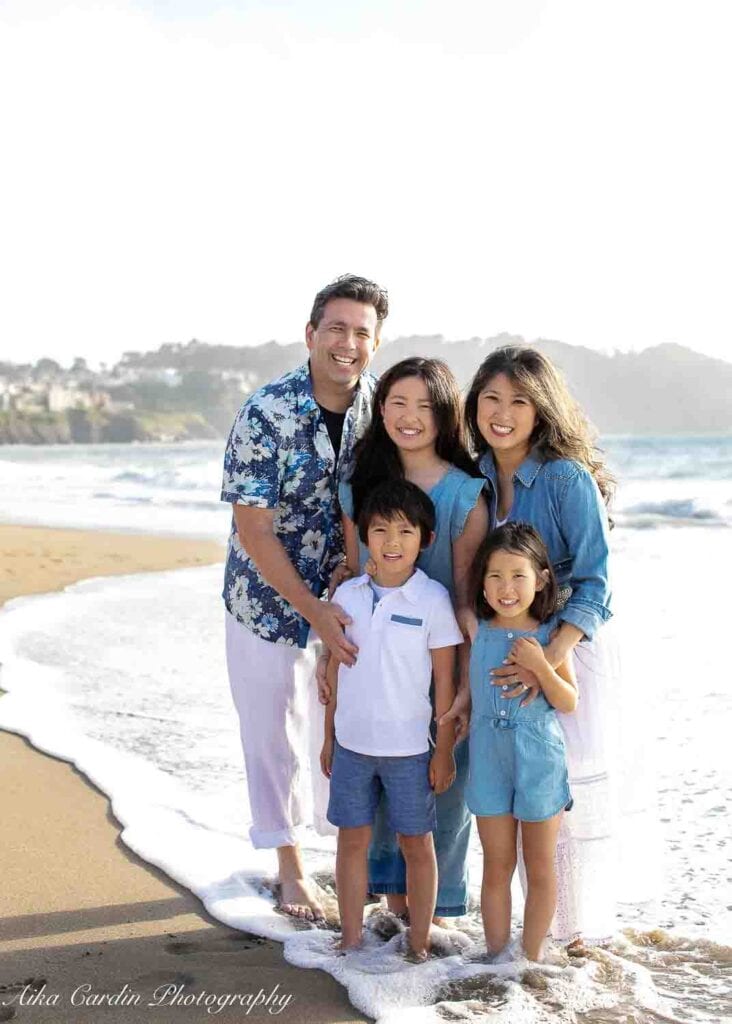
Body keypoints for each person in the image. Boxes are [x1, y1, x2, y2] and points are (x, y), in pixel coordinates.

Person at [221, 273, 388, 921]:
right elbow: (252, 527)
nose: (348, 343)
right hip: (263, 596)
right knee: (271, 731)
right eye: (337, 329)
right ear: (311, 334)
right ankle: (288, 865)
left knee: (352, 723)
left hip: (350, 590)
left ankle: (353, 856)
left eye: (362, 333)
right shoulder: (266, 411)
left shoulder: (381, 408)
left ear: (375, 343)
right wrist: (310, 607)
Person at [451, 344, 625, 944]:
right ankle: (523, 945)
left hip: (568, 650)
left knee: (559, 803)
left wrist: (546, 663)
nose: (502, 413)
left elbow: (598, 581)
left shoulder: (563, 478)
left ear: (540, 409)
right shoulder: (473, 476)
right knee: (510, 797)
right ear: (474, 406)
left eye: (519, 401)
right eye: (491, 399)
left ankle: (575, 940)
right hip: (501, 655)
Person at [323, 357, 488, 924]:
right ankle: (390, 926)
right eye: (397, 403)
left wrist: (465, 681)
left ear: (444, 415)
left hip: (441, 661)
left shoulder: (468, 493)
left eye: (424, 405)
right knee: (375, 796)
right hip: (376, 665)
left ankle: (431, 932)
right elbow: (354, 571)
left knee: (442, 797)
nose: (409, 417)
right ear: (381, 409)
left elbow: (466, 594)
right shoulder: (360, 484)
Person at [320, 480, 463, 958]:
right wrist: (327, 739)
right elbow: (336, 674)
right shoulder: (349, 597)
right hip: (352, 746)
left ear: (425, 538)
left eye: (405, 531)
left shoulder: (433, 599)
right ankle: (351, 937)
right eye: (379, 530)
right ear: (364, 537)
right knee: (351, 841)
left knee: (417, 845)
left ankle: (419, 943)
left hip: (409, 750)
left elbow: (444, 683)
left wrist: (443, 751)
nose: (392, 542)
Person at [465, 523, 577, 962]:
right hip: (488, 754)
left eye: (517, 576)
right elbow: (469, 688)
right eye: (495, 576)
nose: (505, 588)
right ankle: (496, 958)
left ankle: (529, 960)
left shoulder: (552, 634)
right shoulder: (477, 629)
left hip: (538, 759)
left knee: (539, 865)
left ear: (541, 579)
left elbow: (568, 701)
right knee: (496, 864)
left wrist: (542, 665)